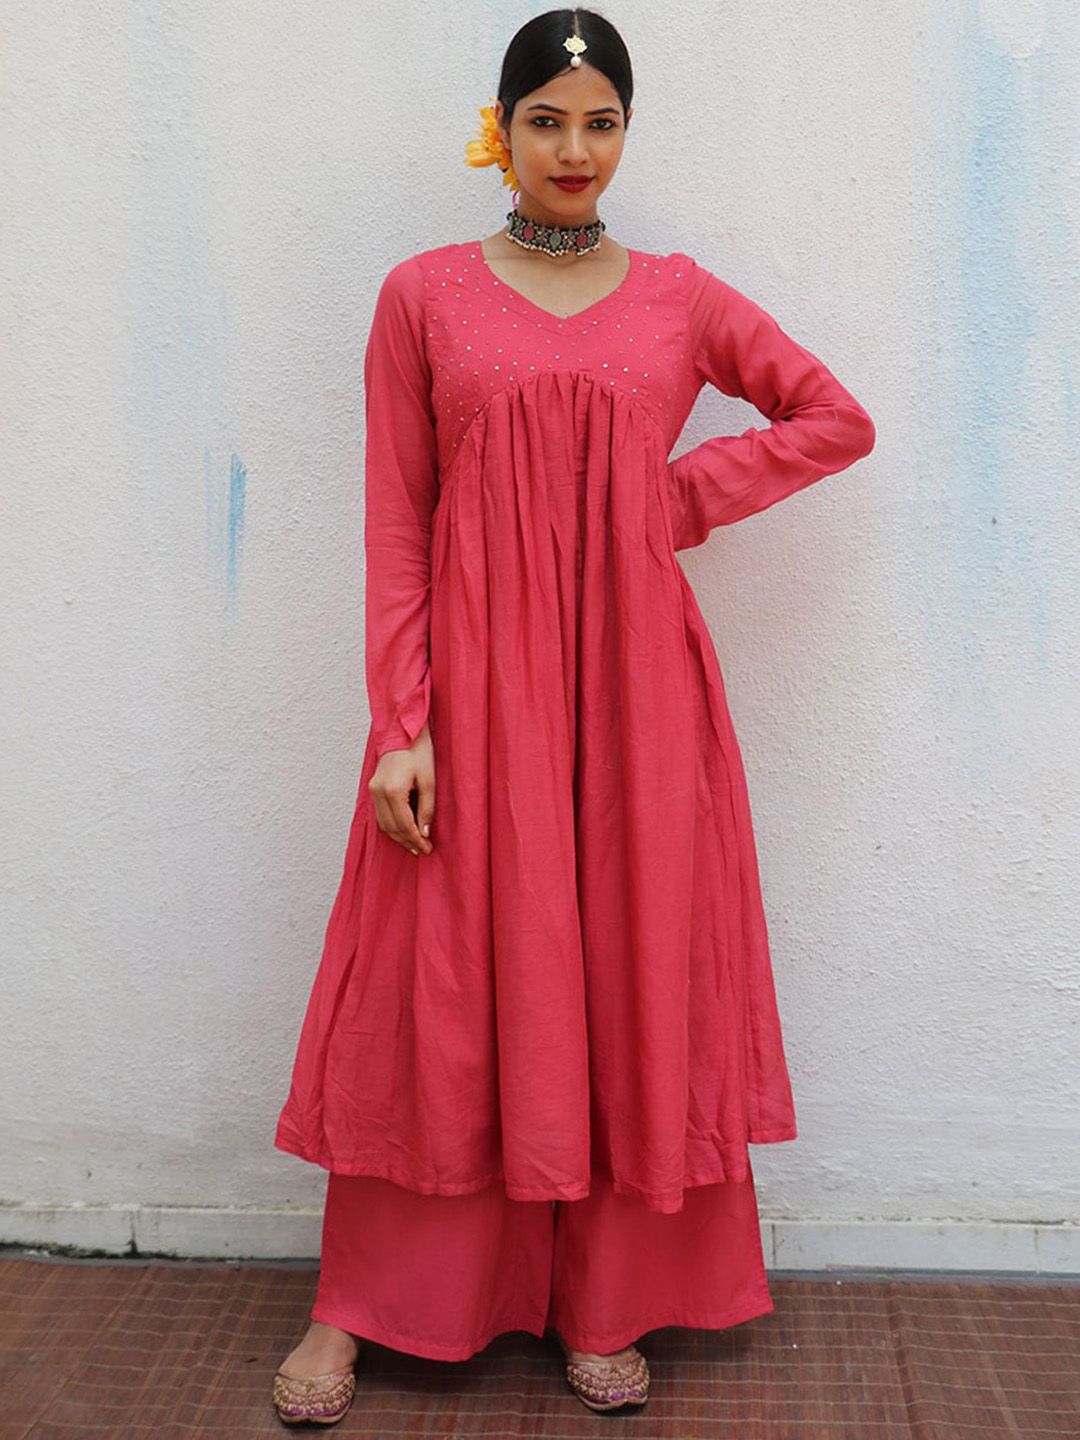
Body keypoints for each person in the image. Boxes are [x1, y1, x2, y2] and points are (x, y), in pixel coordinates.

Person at [270, 6, 876, 1426]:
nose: (574, 149)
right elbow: (398, 522)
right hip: (474, 693)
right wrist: (402, 723)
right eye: (546, 120)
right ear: (502, 130)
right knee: (438, 985)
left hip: (637, 697)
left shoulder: (678, 297)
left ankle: (610, 1297)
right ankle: (361, 1305)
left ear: (626, 132)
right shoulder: (423, 294)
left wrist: (671, 500)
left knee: (626, 971)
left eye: (601, 122)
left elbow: (832, 417)